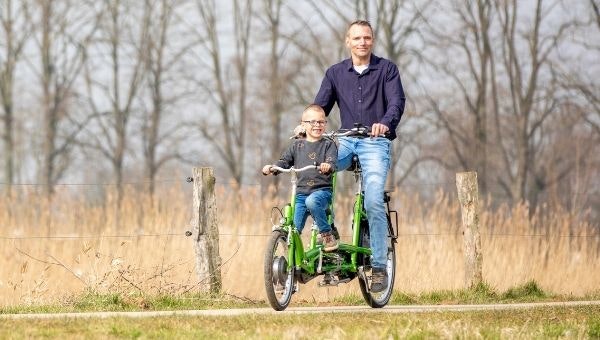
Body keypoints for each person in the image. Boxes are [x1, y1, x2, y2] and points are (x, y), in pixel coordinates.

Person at [313, 20, 406, 292]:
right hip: (344, 141)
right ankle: (329, 236)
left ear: (372, 40)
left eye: (366, 38)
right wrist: (307, 125)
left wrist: (385, 123)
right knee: (318, 170)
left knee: (374, 199)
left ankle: (378, 266)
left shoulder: (387, 70)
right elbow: (320, 107)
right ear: (347, 41)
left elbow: (397, 102)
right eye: (357, 38)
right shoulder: (335, 73)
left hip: (375, 142)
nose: (362, 42)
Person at [263, 105, 339, 251]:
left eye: (321, 122)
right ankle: (294, 264)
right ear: (303, 124)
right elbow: (285, 161)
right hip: (301, 194)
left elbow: (332, 161)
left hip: (322, 192)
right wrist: (273, 168)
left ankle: (327, 235)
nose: (317, 125)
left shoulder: (328, 145)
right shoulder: (296, 145)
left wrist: (327, 165)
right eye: (312, 122)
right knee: (294, 229)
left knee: (312, 201)